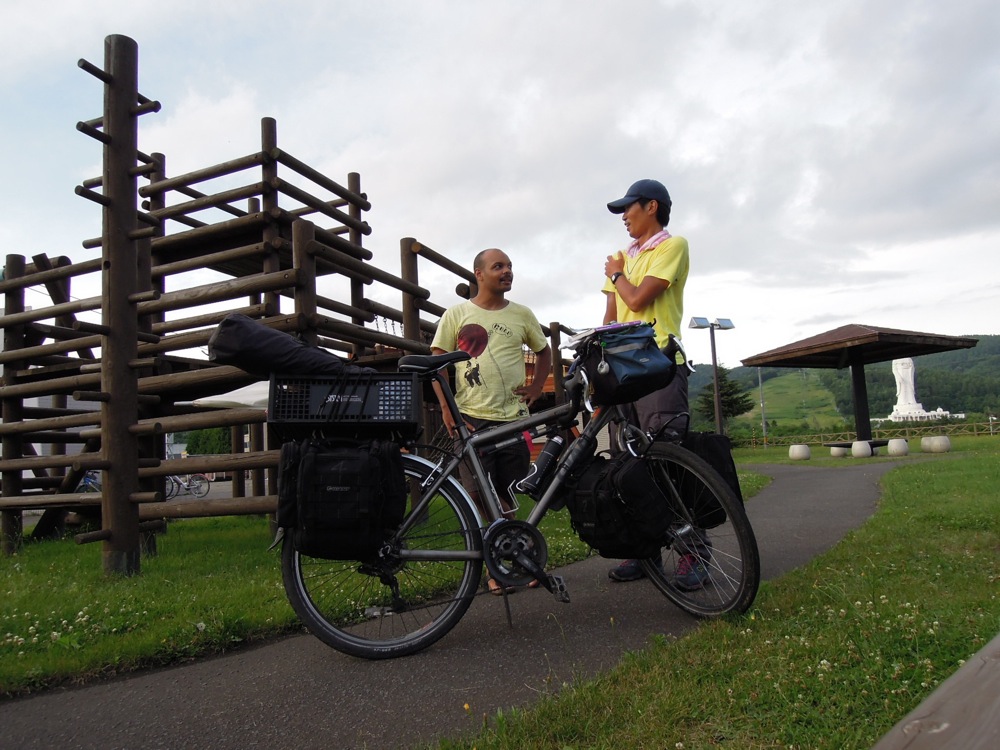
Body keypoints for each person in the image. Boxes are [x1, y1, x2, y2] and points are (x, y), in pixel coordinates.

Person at [600, 178, 708, 590]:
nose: (624, 217)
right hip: (622, 369)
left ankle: (694, 552)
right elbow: (611, 314)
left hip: (658, 362)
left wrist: (617, 275)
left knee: (667, 458)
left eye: (628, 208)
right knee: (627, 463)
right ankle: (642, 550)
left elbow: (640, 298)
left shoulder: (671, 246)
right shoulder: (619, 257)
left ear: (651, 206)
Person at [431, 248, 553, 595]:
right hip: (469, 419)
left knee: (505, 494)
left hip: (512, 420)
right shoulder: (457, 314)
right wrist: (446, 408)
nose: (507, 271)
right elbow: (436, 364)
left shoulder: (522, 315)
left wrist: (535, 387)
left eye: (510, 266)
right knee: (479, 497)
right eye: (498, 266)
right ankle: (504, 564)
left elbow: (544, 351)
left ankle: (515, 559)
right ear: (479, 274)